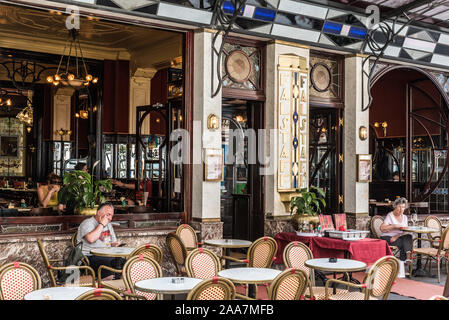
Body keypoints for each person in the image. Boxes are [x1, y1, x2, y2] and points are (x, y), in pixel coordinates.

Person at [77, 203, 124, 281]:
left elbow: (113, 242)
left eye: (111, 215)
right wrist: (101, 224)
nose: (110, 218)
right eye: (108, 215)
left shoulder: (109, 225)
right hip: (88, 257)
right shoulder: (87, 223)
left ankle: (119, 290)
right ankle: (102, 291)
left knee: (126, 264)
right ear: (99, 213)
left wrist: (115, 245)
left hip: (107, 256)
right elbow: (91, 239)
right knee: (108, 269)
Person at [380, 197, 413, 278]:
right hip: (387, 237)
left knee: (408, 236)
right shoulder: (390, 215)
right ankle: (404, 264)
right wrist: (393, 226)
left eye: (403, 207)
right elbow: (382, 228)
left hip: (397, 237)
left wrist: (396, 236)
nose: (401, 209)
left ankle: (403, 264)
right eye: (399, 207)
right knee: (404, 243)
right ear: (395, 206)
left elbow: (405, 231)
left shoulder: (404, 217)